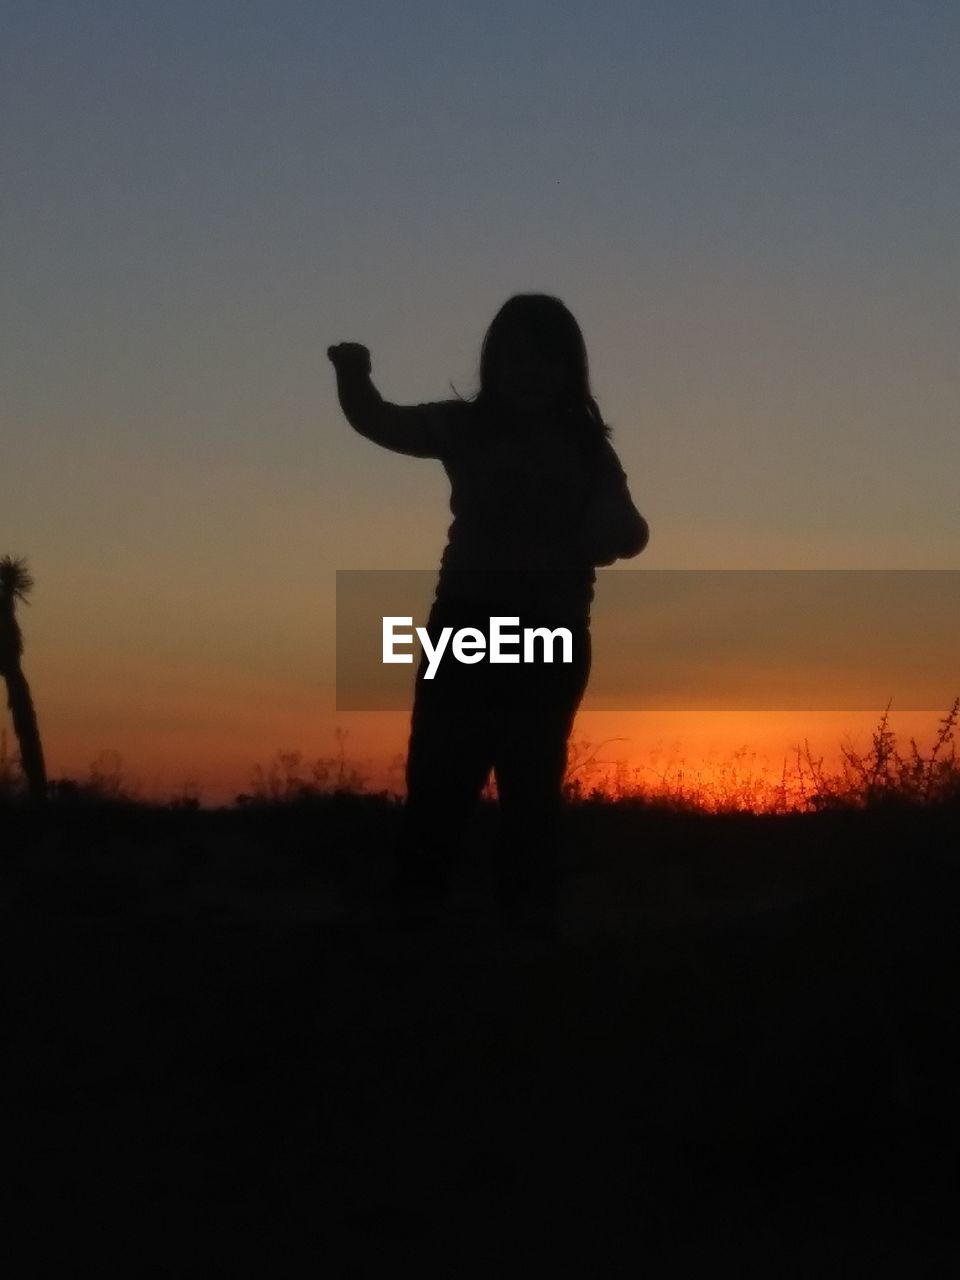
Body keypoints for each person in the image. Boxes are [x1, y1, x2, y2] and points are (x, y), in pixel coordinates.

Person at [328, 293, 648, 935]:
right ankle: (419, 922)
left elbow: (632, 527)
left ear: (568, 369)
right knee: (440, 787)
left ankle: (525, 930)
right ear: (494, 363)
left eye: (545, 358)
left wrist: (614, 532)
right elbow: (380, 422)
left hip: (551, 637)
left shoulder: (587, 449)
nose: (529, 370)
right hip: (466, 627)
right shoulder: (463, 426)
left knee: (531, 794)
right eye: (515, 356)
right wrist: (353, 376)